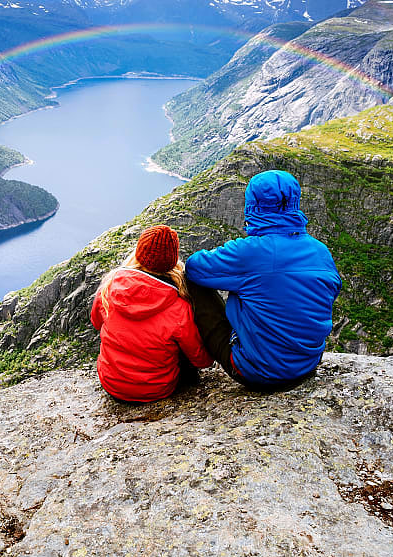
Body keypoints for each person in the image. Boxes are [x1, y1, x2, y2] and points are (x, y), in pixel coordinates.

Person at [185, 170, 342, 390]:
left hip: (257, 373)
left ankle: (183, 363)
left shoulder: (250, 251)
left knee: (195, 281)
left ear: (252, 204)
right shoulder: (321, 251)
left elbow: (195, 267)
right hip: (307, 366)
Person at [90, 224, 212, 402]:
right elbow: (200, 359)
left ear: (139, 253)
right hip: (156, 390)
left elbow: (96, 322)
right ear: (172, 262)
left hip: (111, 384)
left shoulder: (110, 287)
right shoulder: (179, 307)